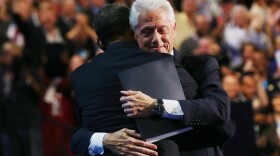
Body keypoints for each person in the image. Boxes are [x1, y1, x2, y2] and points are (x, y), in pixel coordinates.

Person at [71, 0, 233, 156]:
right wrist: (105, 139)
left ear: (174, 29)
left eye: (162, 30)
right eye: (147, 31)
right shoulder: (124, 73)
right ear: (134, 35)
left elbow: (223, 124)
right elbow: (84, 131)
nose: (156, 39)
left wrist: (158, 106)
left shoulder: (199, 66)